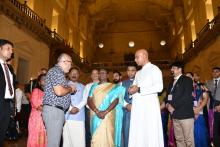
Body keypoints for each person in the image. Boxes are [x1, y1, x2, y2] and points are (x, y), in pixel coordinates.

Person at [128, 49, 164, 147]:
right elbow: (134, 87)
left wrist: (139, 89)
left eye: (137, 57)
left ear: (144, 56)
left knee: (150, 132)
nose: (135, 60)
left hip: (149, 108)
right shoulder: (138, 73)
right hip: (138, 109)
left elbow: (159, 87)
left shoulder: (155, 69)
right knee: (139, 132)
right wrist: (131, 90)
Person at [42, 53, 76, 147]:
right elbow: (59, 91)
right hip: (54, 111)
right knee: (54, 144)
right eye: (70, 63)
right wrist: (70, 88)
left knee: (55, 142)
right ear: (64, 62)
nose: (70, 66)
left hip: (56, 111)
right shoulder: (57, 71)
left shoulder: (57, 72)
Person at [88, 68, 125, 147]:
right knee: (95, 137)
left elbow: (116, 100)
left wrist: (105, 112)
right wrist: (97, 111)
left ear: (108, 75)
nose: (102, 74)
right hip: (96, 115)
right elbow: (89, 100)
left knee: (108, 136)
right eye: (100, 73)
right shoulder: (93, 86)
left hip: (108, 115)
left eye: (104, 73)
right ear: (98, 75)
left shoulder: (113, 87)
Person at [166, 62, 194, 147]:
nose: (171, 70)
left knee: (189, 140)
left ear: (180, 69)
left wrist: (173, 106)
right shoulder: (171, 82)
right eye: (171, 68)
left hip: (185, 115)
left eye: (173, 68)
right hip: (174, 115)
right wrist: (167, 104)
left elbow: (186, 96)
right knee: (179, 139)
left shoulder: (187, 80)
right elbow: (168, 96)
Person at [63, 67, 86, 147]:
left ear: (79, 75)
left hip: (79, 117)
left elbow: (85, 99)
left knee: (79, 141)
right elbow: (61, 99)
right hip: (66, 117)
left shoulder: (83, 87)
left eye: (76, 73)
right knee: (67, 141)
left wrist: (77, 108)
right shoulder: (63, 85)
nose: (74, 75)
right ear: (69, 74)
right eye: (72, 73)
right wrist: (70, 108)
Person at [0, 39, 14, 146]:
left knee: (2, 133)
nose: (11, 51)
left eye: (12, 49)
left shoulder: (9, 68)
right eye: (8, 49)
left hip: (7, 104)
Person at [27, 74, 47, 147]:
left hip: (45, 118)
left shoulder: (49, 93)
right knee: (35, 137)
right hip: (36, 118)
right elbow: (36, 105)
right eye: (43, 79)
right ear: (39, 82)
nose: (45, 80)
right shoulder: (36, 90)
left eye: (47, 78)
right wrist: (48, 109)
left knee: (43, 138)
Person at [190, 72, 209, 147]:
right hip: (188, 115)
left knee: (200, 134)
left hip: (199, 113)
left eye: (190, 76)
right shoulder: (183, 88)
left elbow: (206, 97)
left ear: (193, 78)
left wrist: (198, 108)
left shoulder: (200, 86)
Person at [82, 69, 99, 147]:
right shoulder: (88, 86)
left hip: (102, 111)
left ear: (99, 75)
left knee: (100, 131)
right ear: (91, 76)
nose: (95, 75)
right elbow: (85, 100)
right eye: (93, 74)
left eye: (96, 73)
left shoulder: (104, 85)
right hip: (90, 111)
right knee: (90, 131)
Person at [122, 64, 137, 147]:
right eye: (129, 70)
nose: (130, 72)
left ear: (136, 71)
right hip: (127, 112)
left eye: (133, 70)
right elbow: (120, 98)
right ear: (126, 72)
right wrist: (127, 105)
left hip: (139, 112)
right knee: (127, 133)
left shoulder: (140, 82)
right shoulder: (122, 83)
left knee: (138, 134)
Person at [206, 67, 220, 147]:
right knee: (214, 129)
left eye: (217, 72)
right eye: (213, 72)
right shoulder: (208, 82)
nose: (215, 73)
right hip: (212, 108)